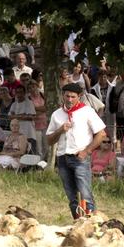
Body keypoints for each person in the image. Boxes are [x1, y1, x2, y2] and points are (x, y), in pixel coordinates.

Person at [46, 83, 107, 218]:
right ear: (63, 95)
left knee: (85, 196)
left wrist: (86, 151)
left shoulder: (87, 111)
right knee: (72, 197)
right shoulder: (57, 114)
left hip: (80, 157)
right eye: (67, 96)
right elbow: (49, 140)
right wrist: (60, 130)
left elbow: (101, 134)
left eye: (73, 97)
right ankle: (77, 224)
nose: (69, 99)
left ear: (79, 97)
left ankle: (90, 226)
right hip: (62, 157)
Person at [8, 84, 37, 153]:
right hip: (18, 133)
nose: (19, 94)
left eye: (21, 92)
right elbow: (10, 117)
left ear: (24, 93)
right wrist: (23, 115)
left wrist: (16, 116)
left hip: (29, 133)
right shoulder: (14, 105)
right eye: (17, 92)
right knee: (19, 154)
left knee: (30, 155)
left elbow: (31, 117)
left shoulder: (29, 103)